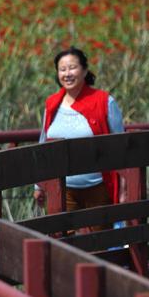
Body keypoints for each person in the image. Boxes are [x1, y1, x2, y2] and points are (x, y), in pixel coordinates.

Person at [33, 46, 125, 231]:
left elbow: (121, 147)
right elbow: (43, 144)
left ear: (84, 70)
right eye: (62, 69)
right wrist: (38, 186)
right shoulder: (52, 104)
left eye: (72, 67)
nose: (67, 73)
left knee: (97, 248)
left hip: (97, 189)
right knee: (63, 246)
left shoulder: (105, 102)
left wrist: (124, 190)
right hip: (61, 189)